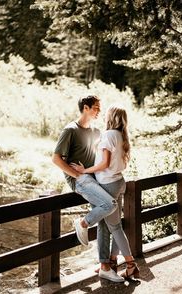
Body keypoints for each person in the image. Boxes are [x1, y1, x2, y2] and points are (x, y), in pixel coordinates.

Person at [52, 95, 125, 282]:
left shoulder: (96, 131)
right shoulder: (70, 130)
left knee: (103, 220)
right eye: (96, 108)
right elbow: (56, 159)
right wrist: (78, 175)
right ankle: (82, 223)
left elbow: (102, 156)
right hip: (81, 181)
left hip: (96, 179)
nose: (99, 111)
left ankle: (104, 266)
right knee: (110, 204)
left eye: (100, 108)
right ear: (85, 108)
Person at [71, 105, 140, 279]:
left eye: (106, 115)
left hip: (108, 184)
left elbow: (104, 164)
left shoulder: (109, 135)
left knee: (115, 227)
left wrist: (84, 170)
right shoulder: (122, 136)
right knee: (115, 226)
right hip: (118, 182)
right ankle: (111, 261)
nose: (103, 117)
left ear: (111, 118)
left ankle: (131, 264)